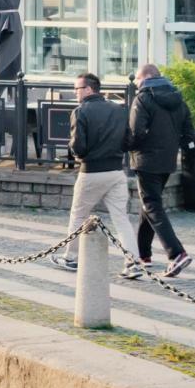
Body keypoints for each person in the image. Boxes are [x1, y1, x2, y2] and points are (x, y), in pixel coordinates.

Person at [124, 63, 194, 280]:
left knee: (152, 205)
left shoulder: (143, 99)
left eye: (137, 79)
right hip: (167, 161)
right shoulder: (178, 99)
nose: (135, 83)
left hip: (146, 161)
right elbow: (188, 132)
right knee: (149, 206)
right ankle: (143, 254)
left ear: (146, 78)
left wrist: (127, 147)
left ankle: (177, 253)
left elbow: (136, 131)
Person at [61, 72, 130, 272]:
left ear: (89, 89)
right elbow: (127, 140)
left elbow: (78, 145)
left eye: (78, 89)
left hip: (91, 171)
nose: (75, 93)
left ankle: (71, 257)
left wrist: (75, 152)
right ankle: (132, 262)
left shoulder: (80, 111)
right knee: (121, 219)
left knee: (78, 215)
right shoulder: (119, 110)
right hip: (116, 171)